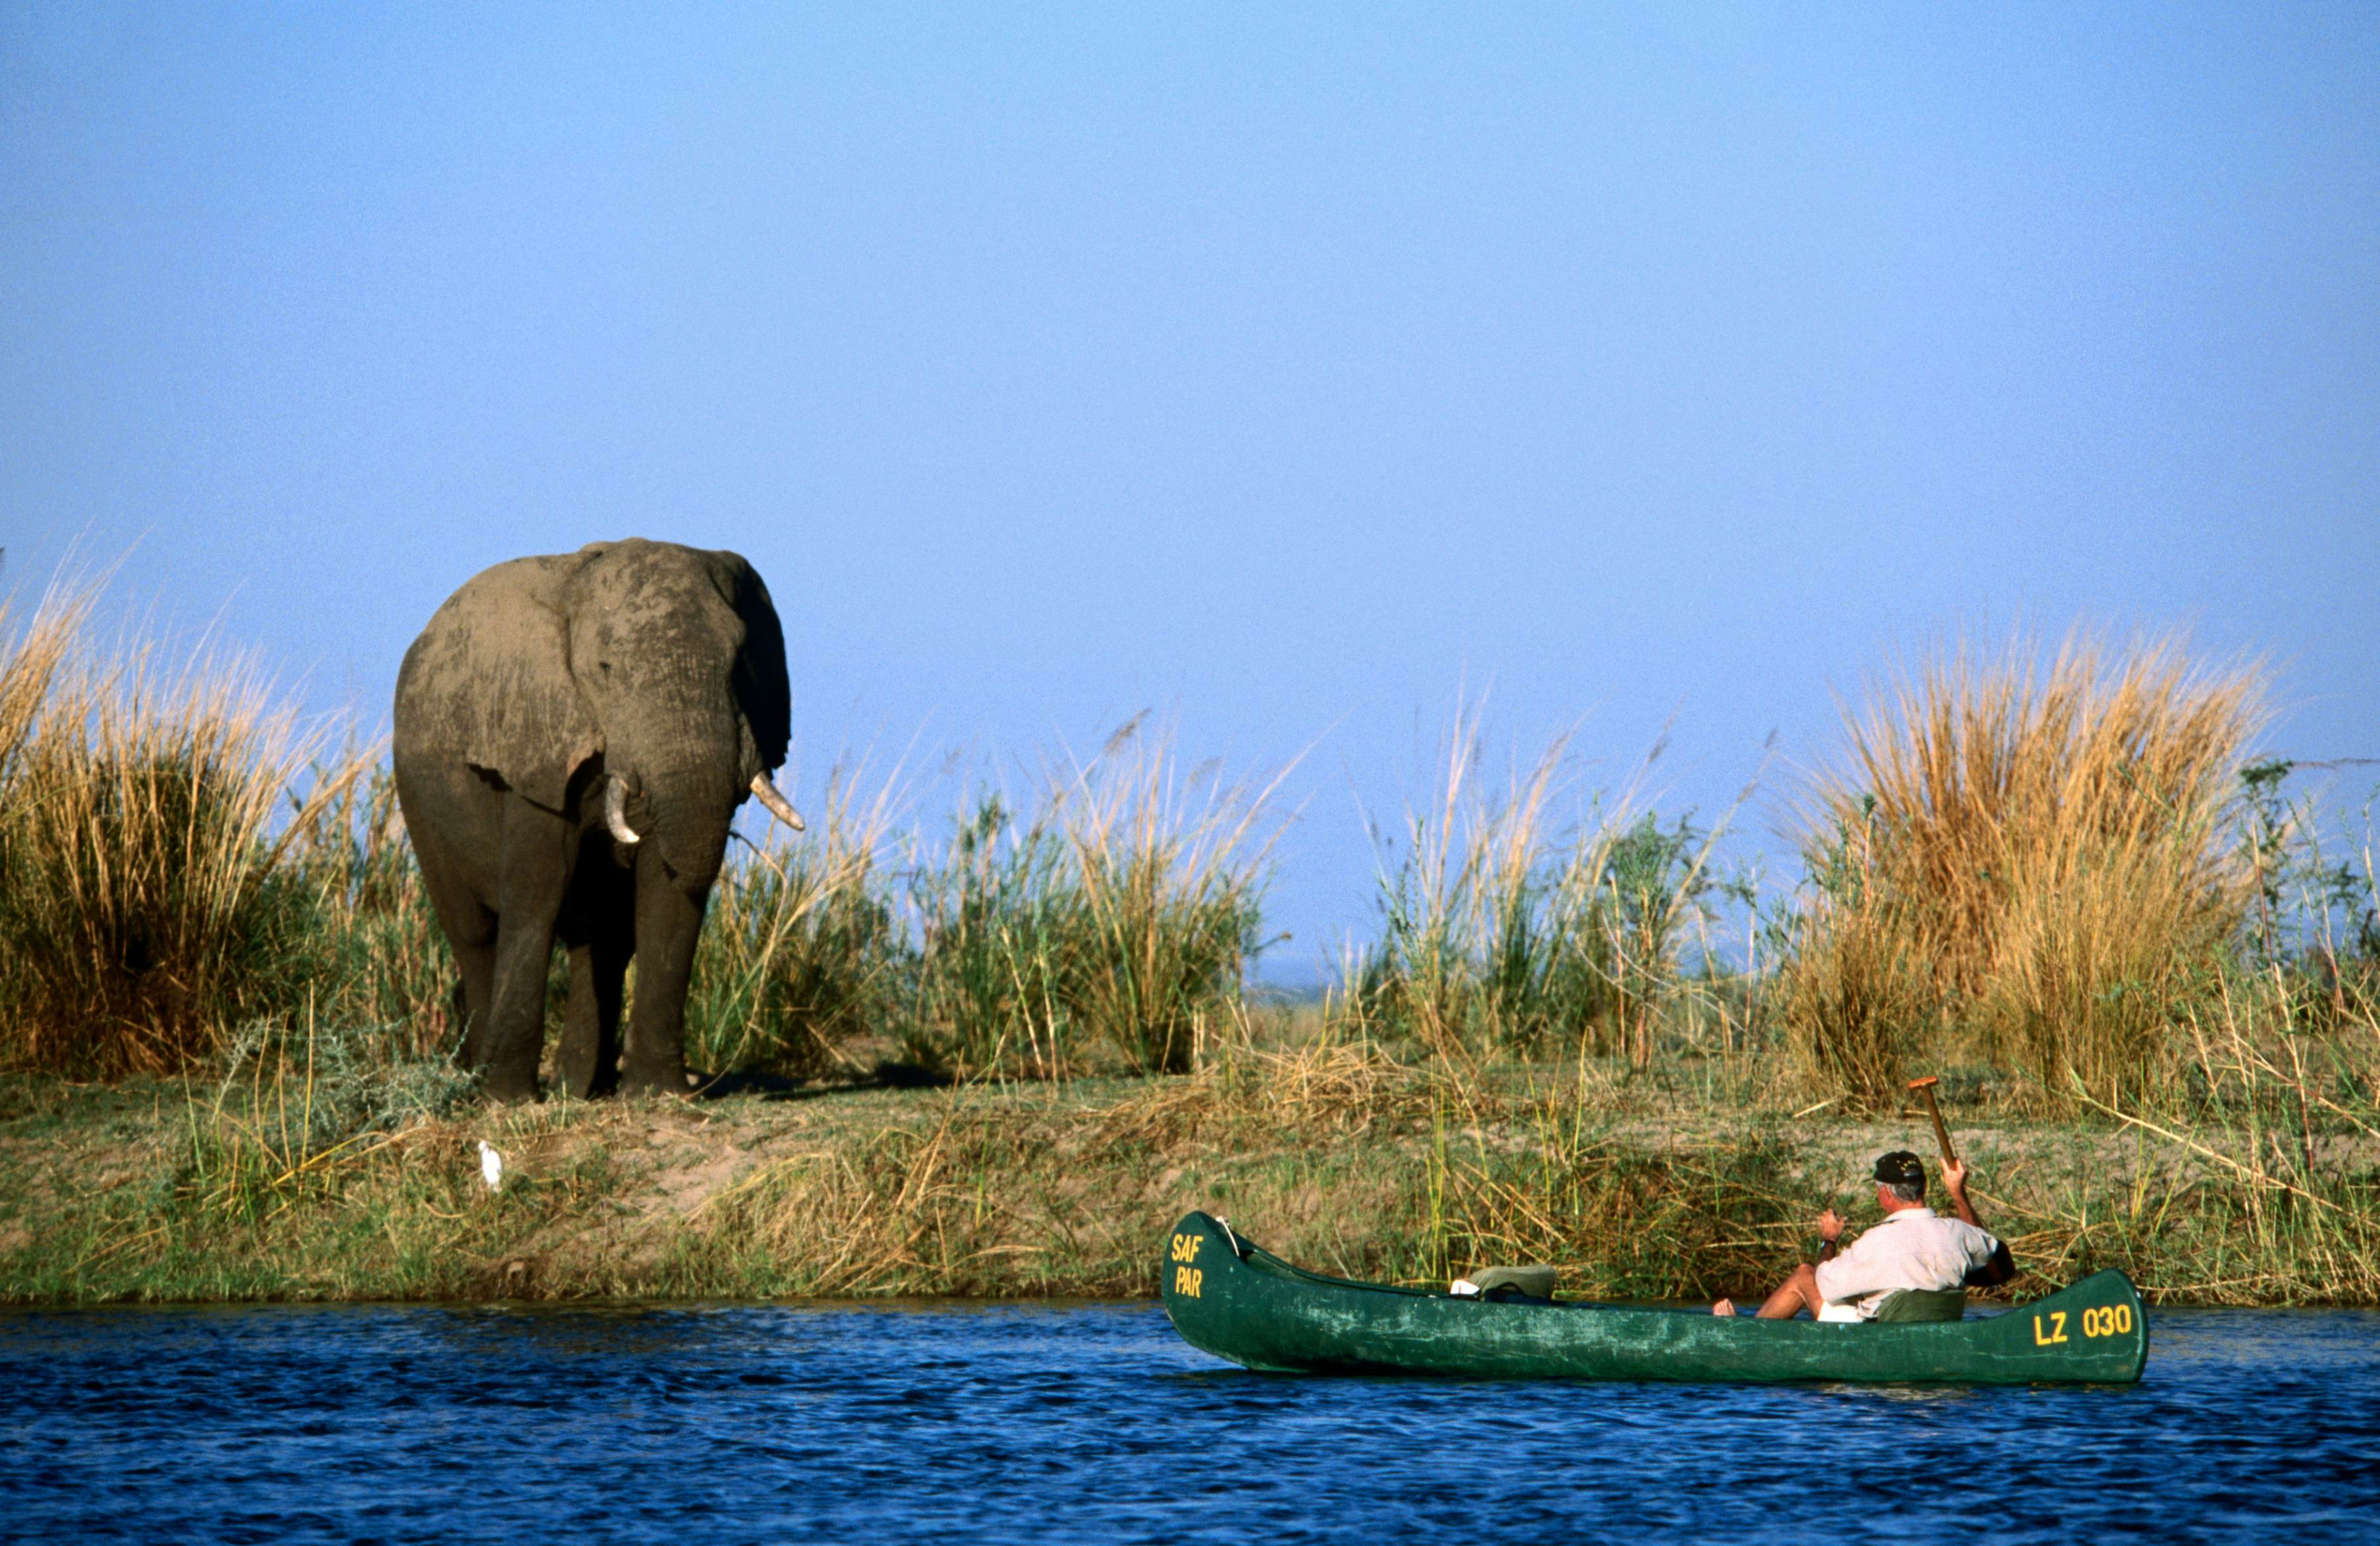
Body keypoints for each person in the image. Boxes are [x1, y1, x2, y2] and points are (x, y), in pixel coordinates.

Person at [1712, 1151, 2014, 1320]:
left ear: (1885, 1194)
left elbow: (1825, 1284)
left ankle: (1745, 1336)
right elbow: (1999, 1268)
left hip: (1882, 1340)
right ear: (1924, 1188)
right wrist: (1958, 1194)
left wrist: (1829, 1240)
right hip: (1935, 1331)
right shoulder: (1958, 1232)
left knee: (1805, 1275)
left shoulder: (1875, 1241)